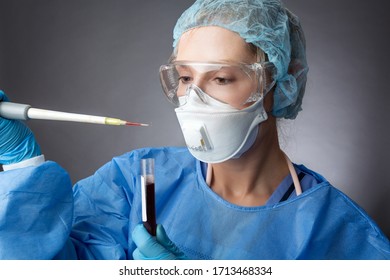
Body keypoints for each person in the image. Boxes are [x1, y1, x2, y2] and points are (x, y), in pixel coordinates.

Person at [0, 0, 389, 260]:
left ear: (280, 86)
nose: (194, 99)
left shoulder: (337, 233)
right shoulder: (135, 181)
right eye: (185, 77)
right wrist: (22, 166)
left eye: (221, 78)